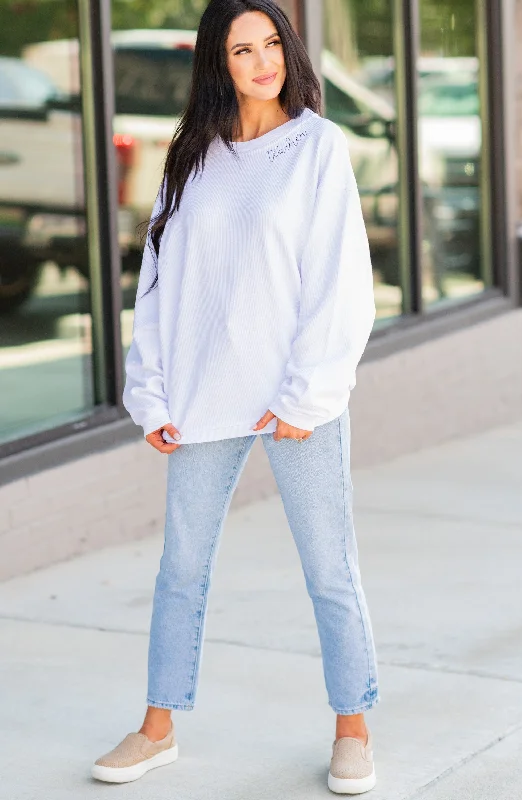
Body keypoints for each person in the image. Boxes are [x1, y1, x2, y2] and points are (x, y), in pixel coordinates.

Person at [91, 0, 380, 793]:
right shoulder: (193, 153)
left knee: (329, 567)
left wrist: (304, 397)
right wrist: (150, 392)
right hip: (201, 399)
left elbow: (340, 285)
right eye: (240, 50)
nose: (261, 63)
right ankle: (157, 727)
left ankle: (352, 727)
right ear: (217, 64)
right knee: (181, 567)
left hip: (295, 404)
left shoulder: (318, 148)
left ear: (288, 50)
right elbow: (157, 283)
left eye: (270, 45)